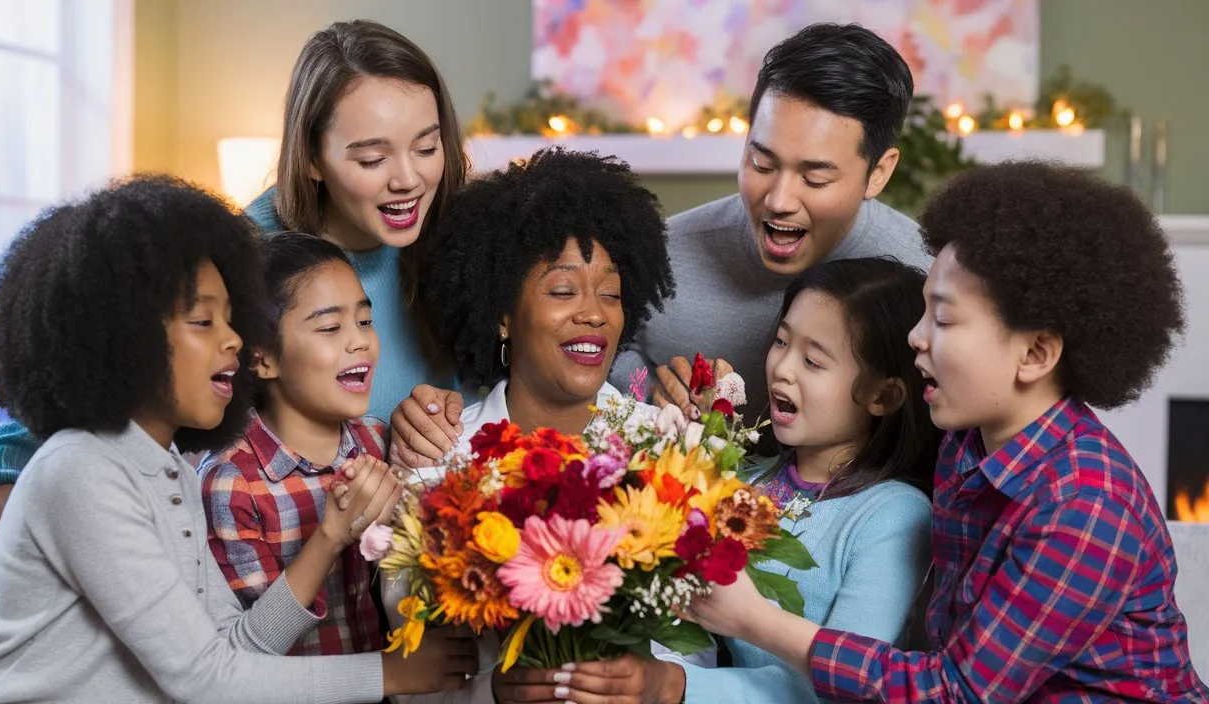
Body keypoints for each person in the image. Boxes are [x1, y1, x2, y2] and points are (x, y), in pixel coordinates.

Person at [681, 162, 1207, 702]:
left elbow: (956, 692)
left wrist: (755, 620)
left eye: (944, 320)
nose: (915, 337)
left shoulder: (1086, 508)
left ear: (1034, 353)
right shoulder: (965, 443)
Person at [0, 176, 475, 703]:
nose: (233, 339)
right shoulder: (82, 470)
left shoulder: (172, 470)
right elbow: (206, 680)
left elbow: (238, 648)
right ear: (122, 338)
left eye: (231, 316)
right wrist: (391, 673)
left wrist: (333, 533)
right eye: (204, 321)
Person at [0, 18, 469, 549]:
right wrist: (3, 465)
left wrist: (443, 416)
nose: (409, 179)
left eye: (426, 147)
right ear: (314, 157)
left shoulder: (460, 248)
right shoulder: (237, 254)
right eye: (372, 157)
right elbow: (89, 378)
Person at [390, 22, 930, 467]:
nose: (779, 199)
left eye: (815, 177)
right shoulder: (657, 260)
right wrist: (659, 406)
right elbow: (560, 385)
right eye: (761, 162)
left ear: (878, 172)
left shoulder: (927, 282)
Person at [500, 258, 938, 703]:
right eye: (781, 341)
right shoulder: (731, 477)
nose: (783, 368)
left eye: (812, 361)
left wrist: (676, 686)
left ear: (883, 396)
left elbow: (852, 685)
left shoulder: (893, 515)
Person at [384, 147, 675, 703]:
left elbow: (697, 640)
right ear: (500, 314)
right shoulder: (440, 460)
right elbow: (410, 662)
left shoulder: (661, 446)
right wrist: (492, 692)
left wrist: (650, 679)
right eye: (563, 291)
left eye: (611, 294)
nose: (594, 312)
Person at [198, 232, 475, 674]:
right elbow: (248, 658)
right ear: (262, 358)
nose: (360, 341)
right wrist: (332, 535)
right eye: (330, 327)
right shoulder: (233, 483)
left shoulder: (378, 442)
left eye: (365, 321)